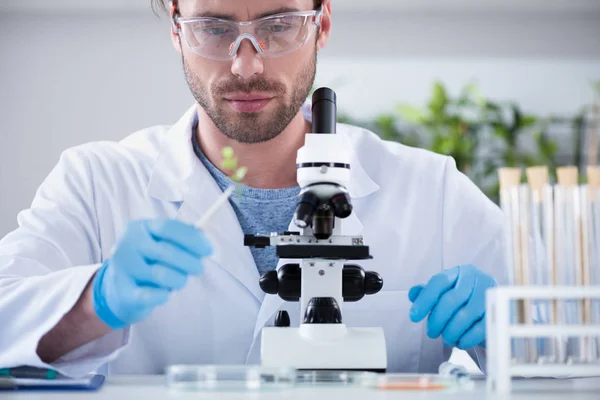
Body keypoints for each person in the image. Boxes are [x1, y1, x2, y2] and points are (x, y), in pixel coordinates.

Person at [0, 0, 504, 377]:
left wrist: (508, 322)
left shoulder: (431, 190)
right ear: (177, 29)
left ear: (321, 24)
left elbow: (572, 348)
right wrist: (96, 302)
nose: (246, 66)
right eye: (214, 28)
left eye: (279, 25)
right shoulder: (96, 183)